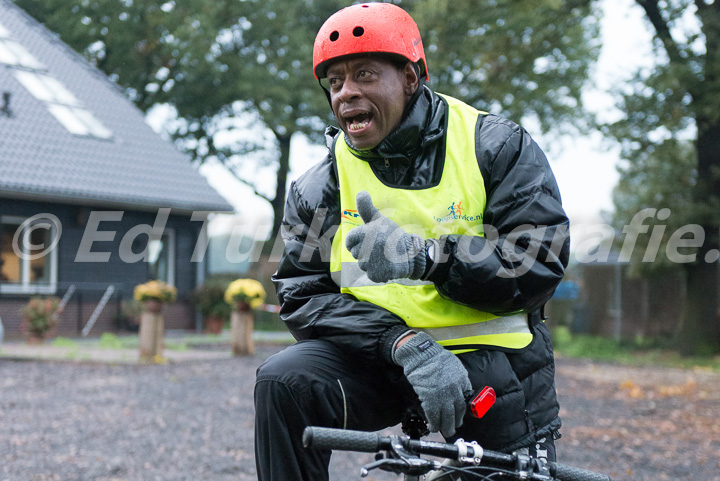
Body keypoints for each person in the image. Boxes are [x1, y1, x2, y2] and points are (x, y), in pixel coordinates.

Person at [255, 3, 570, 480]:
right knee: (283, 381)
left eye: (364, 74)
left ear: (409, 76)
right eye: (335, 82)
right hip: (386, 360)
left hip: (493, 370)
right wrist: (401, 343)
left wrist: (432, 259)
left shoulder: (495, 145)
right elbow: (302, 294)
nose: (346, 93)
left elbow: (538, 263)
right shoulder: (317, 186)